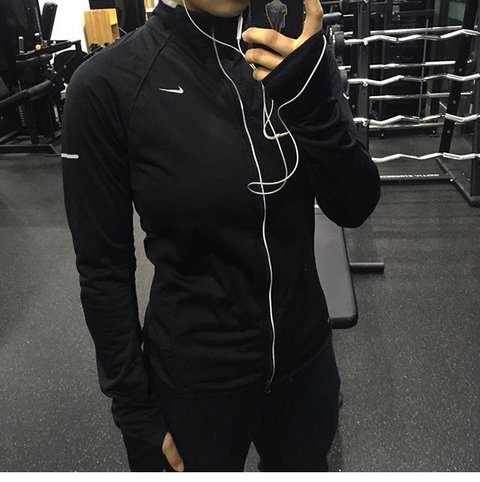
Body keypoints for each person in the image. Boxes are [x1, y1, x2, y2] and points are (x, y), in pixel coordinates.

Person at [61, 0, 381, 472]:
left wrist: (312, 102)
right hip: (196, 379)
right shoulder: (107, 84)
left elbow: (354, 206)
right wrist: (134, 410)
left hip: (305, 362)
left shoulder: (298, 52)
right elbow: (102, 269)